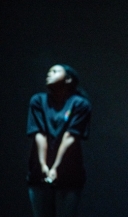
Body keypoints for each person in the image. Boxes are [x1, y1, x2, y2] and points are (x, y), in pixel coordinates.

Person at [26, 64, 91, 217]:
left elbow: (70, 137)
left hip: (70, 174)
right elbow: (39, 134)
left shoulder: (80, 104)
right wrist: (43, 165)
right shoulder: (38, 101)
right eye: (48, 71)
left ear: (68, 79)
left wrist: (55, 167)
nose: (49, 74)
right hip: (38, 174)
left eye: (55, 71)